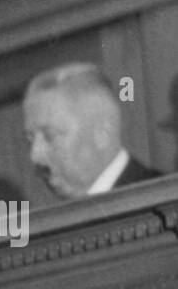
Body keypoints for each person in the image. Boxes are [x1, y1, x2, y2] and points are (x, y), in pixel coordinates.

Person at [23, 62, 162, 200]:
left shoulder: (164, 201)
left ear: (102, 132)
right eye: (30, 140)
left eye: (50, 136)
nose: (35, 156)